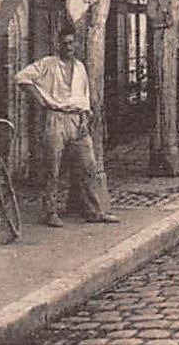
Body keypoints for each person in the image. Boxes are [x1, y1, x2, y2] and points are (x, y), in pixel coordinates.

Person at [14, 26, 119, 226]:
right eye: (64, 43)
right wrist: (40, 99)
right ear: (58, 44)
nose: (68, 47)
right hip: (55, 118)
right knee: (52, 168)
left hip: (78, 120)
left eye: (71, 43)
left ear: (76, 44)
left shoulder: (80, 67)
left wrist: (84, 119)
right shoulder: (49, 64)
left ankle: (94, 210)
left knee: (89, 166)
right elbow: (21, 77)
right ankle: (50, 212)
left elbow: (85, 95)